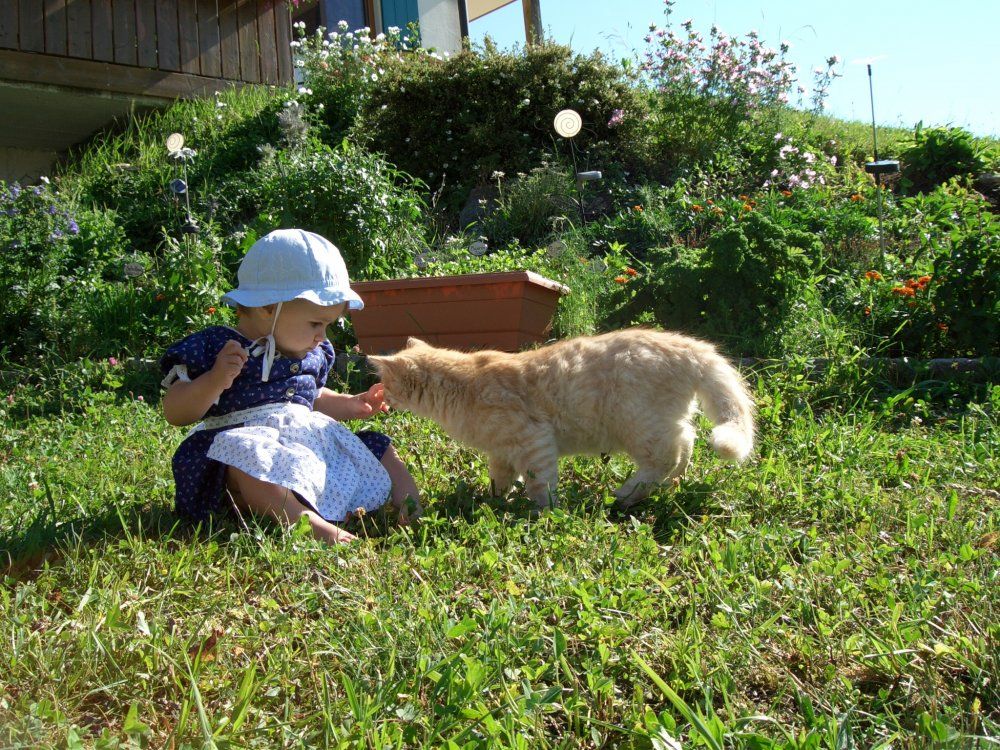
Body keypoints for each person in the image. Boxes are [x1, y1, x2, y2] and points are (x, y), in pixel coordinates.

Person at [160, 228, 421, 544]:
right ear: (268, 307)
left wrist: (352, 403)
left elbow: (313, 398)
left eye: (327, 325)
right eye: (315, 323)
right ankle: (305, 523)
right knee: (248, 459)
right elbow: (175, 411)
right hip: (244, 457)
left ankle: (410, 506)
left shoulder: (312, 352)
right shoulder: (218, 348)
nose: (322, 336)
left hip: (305, 451)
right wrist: (214, 380)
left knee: (377, 446)